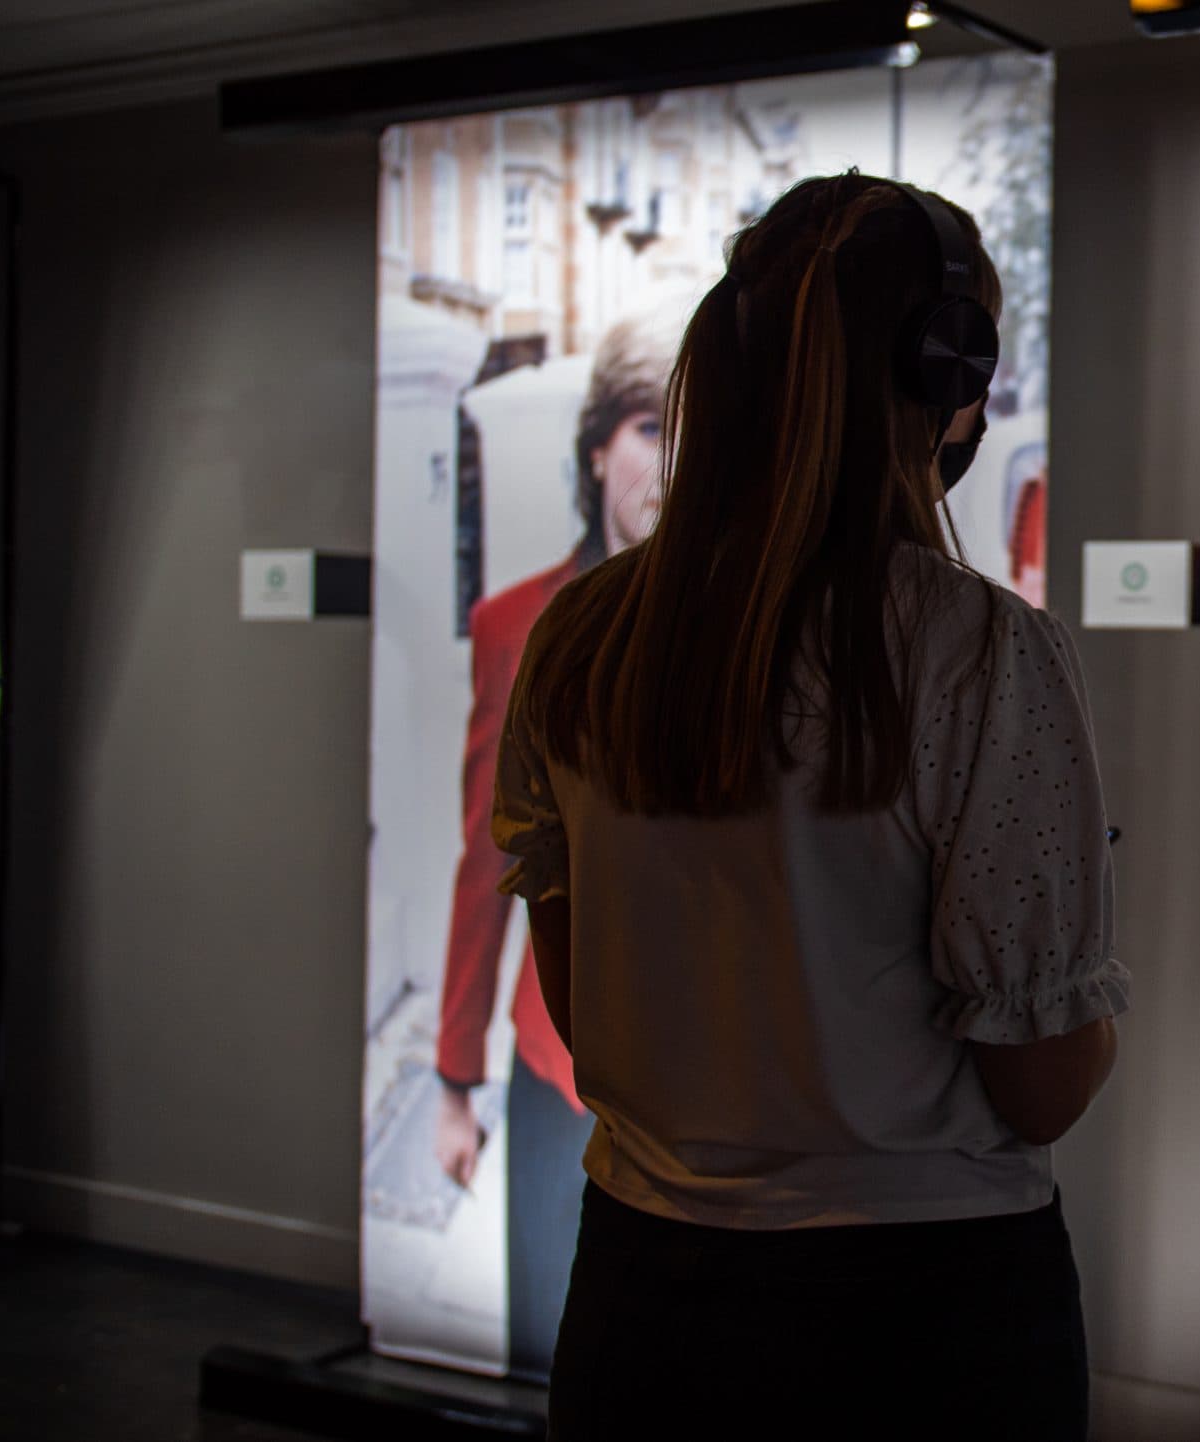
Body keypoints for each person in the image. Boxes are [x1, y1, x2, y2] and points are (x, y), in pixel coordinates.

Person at [491, 173, 1126, 1438]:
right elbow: (1041, 1083)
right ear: (941, 373)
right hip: (920, 1314)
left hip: (642, 1290)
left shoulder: (582, 634)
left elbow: (580, 1005)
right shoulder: (980, 649)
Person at [429, 306, 679, 1381]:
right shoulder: (519, 623)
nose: (668, 462)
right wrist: (451, 1074)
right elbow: (489, 859)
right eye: (645, 428)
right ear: (597, 448)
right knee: (555, 1364)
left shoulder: (750, 629)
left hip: (708, 1089)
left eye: (690, 431)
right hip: (560, 1066)